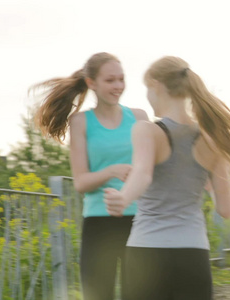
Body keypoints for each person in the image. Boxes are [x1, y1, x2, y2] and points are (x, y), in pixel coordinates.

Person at [104, 56, 230, 299]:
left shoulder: (147, 130)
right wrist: (206, 185)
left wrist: (124, 196)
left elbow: (143, 173)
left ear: (156, 85)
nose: (148, 97)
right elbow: (226, 209)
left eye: (147, 90)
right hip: (193, 253)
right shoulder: (212, 140)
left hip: (147, 251)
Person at [32, 52, 149, 300]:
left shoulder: (139, 117)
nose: (118, 86)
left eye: (121, 79)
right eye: (110, 80)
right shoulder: (81, 122)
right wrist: (111, 171)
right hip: (99, 223)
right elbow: (81, 183)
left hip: (139, 221)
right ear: (91, 83)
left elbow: (151, 169)